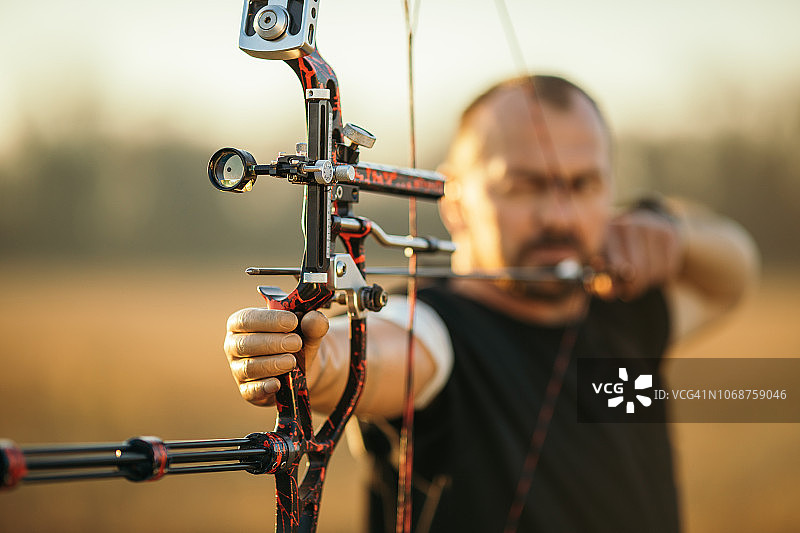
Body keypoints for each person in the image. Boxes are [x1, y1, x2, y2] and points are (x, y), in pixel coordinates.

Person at [223, 76, 759, 532]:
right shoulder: (435, 330)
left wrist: (672, 231)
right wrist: (311, 359)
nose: (560, 216)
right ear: (454, 199)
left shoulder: (626, 309)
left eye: (582, 184)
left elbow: (737, 270)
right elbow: (373, 355)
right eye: (526, 186)